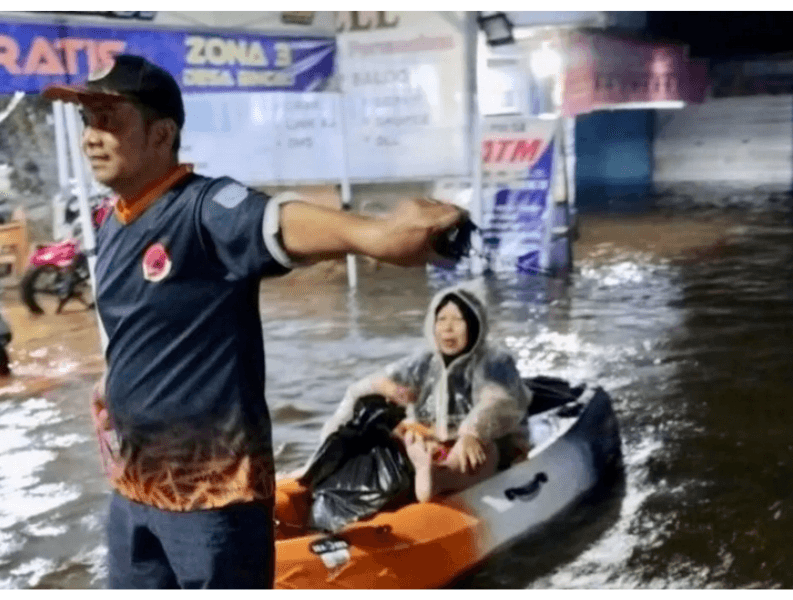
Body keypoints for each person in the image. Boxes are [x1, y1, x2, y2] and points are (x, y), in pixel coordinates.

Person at [42, 54, 466, 589]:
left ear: (161, 134)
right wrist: (116, 382)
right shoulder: (113, 222)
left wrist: (375, 235)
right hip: (133, 490)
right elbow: (144, 325)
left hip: (212, 499)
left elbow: (278, 221)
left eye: (111, 119)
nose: (92, 138)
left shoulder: (204, 211)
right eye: (88, 121)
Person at [318, 285, 532, 503]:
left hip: (475, 442)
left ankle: (441, 476)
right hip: (430, 440)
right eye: (441, 320)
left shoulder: (494, 361)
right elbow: (368, 385)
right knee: (382, 421)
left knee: (478, 454)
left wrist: (473, 433)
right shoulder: (425, 362)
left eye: (457, 320)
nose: (448, 328)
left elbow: (498, 401)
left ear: (475, 325)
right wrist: (391, 388)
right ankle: (328, 465)